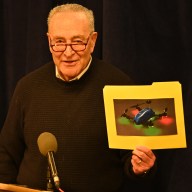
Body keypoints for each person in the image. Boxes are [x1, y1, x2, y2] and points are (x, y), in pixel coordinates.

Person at [0, 3, 156, 192]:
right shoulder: (27, 87)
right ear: (49, 41)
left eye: (77, 41)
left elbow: (131, 161)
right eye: (59, 41)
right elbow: (6, 155)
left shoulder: (119, 86)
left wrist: (140, 168)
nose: (67, 52)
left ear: (92, 41)